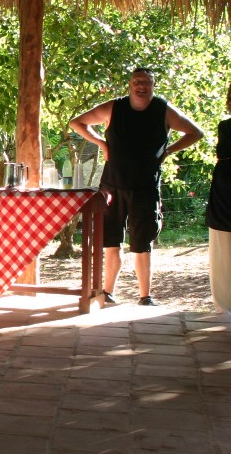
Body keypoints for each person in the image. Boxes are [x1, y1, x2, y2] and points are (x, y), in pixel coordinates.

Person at [69, 67, 203, 306]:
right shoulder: (114, 107)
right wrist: (100, 142)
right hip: (113, 185)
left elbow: (196, 132)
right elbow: (77, 122)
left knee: (143, 243)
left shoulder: (163, 110)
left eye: (146, 83)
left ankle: (145, 297)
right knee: (111, 241)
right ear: (130, 85)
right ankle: (108, 293)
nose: (141, 86)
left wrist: (169, 150)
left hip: (145, 186)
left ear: (153, 85)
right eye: (137, 82)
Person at [206, 81, 231, 316]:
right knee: (224, 247)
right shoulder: (226, 127)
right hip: (226, 194)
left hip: (225, 192)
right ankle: (225, 307)